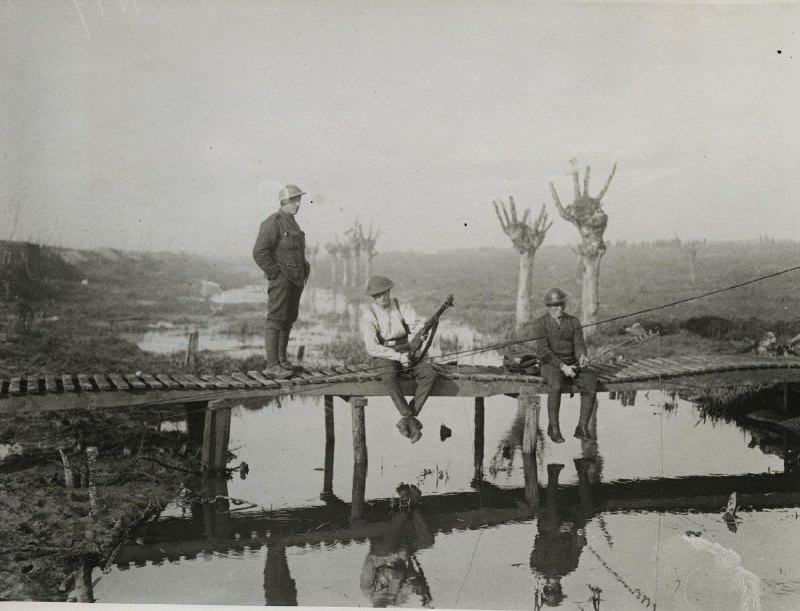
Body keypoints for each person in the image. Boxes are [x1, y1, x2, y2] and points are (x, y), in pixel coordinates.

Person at [361, 276, 438, 443]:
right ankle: (408, 416)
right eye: (377, 295)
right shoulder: (369, 315)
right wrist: (397, 356)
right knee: (388, 375)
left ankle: (408, 418)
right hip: (384, 353)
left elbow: (415, 325)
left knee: (429, 374)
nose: (382, 297)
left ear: (389, 291)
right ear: (373, 297)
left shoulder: (401, 304)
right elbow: (372, 347)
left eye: (384, 293)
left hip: (406, 348)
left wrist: (421, 333)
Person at [252, 184, 311, 378]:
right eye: (294, 200)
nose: (298, 204)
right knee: (276, 318)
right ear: (283, 202)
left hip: (295, 279)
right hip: (282, 279)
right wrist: (275, 273)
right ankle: (272, 365)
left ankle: (282, 362)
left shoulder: (292, 222)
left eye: (299, 200)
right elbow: (259, 252)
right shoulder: (273, 222)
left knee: (288, 318)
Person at [532, 287, 598, 443]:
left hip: (573, 363)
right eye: (555, 306)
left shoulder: (573, 322)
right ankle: (553, 428)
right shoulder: (540, 324)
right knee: (556, 384)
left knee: (590, 382)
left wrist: (582, 356)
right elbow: (544, 352)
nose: (559, 308)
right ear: (548, 307)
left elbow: (579, 344)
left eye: (562, 304)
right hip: (550, 364)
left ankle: (582, 427)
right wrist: (563, 367)